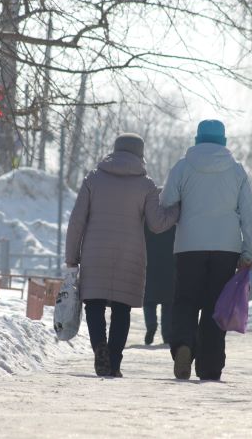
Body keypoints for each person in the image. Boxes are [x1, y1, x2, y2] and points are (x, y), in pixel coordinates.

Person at [65, 133, 179, 378]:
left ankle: (99, 348)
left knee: (94, 305)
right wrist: (177, 210)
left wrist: (71, 257)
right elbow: (157, 224)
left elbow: (77, 221)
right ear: (140, 154)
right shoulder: (146, 185)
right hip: (130, 255)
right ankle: (114, 362)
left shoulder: (93, 179)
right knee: (121, 309)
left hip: (95, 253)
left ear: (114, 150)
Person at [161, 120, 252, 381]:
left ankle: (183, 344)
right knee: (216, 305)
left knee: (185, 300)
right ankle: (210, 365)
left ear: (197, 138)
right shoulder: (236, 171)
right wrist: (249, 252)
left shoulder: (183, 166)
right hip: (225, 248)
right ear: (224, 141)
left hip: (188, 246)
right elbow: (250, 216)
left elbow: (166, 201)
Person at [143, 225, 176, 345]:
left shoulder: (149, 221)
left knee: (148, 301)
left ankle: (151, 325)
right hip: (169, 265)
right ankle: (167, 334)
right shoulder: (173, 222)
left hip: (150, 262)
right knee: (168, 304)